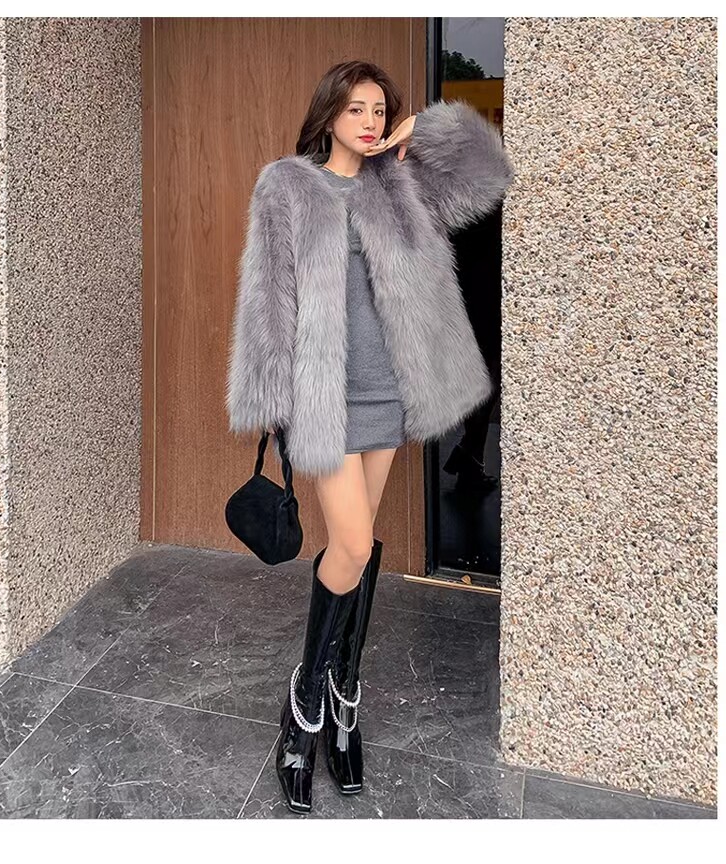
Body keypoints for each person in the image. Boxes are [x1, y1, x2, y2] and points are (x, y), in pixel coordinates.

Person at [226, 60, 515, 814]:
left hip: (388, 391)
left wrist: (427, 126)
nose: (369, 122)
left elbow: (490, 174)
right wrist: (274, 398)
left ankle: (345, 696)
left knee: (358, 544)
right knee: (350, 545)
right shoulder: (287, 187)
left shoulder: (401, 182)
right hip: (324, 397)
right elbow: (268, 297)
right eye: (356, 108)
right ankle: (306, 705)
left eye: (380, 110)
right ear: (328, 113)